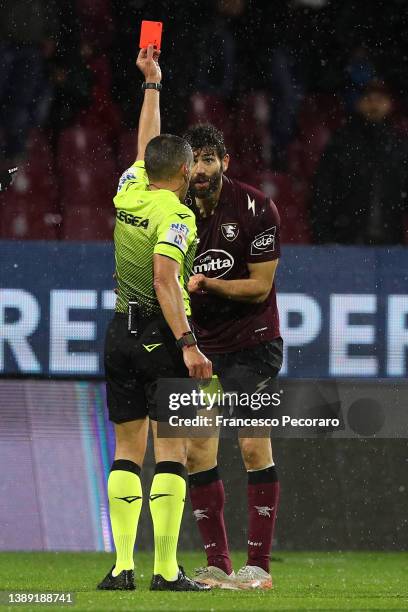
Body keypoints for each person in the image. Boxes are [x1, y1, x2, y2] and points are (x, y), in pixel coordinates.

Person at [98, 45, 212, 592]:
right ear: (187, 172)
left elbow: (148, 149)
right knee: (170, 450)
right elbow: (167, 280)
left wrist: (151, 85)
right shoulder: (177, 213)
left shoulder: (129, 189)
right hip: (163, 337)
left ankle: (121, 567)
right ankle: (165, 570)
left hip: (119, 330)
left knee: (126, 449)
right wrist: (188, 342)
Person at [183, 124, 283, 590]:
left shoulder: (256, 207)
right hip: (200, 349)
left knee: (251, 445)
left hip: (253, 343)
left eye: (209, 159)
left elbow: (260, 286)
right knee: (196, 450)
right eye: (194, 160)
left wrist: (209, 284)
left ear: (225, 162)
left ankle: (259, 568)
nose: (200, 169)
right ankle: (218, 565)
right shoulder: (175, 208)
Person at [310, 79, 408, 245]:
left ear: (390, 104)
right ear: (359, 103)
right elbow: (322, 192)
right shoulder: (341, 143)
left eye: (380, 99)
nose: (374, 104)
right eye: (369, 98)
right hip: (346, 242)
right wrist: (324, 239)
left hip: (390, 243)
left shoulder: (400, 147)